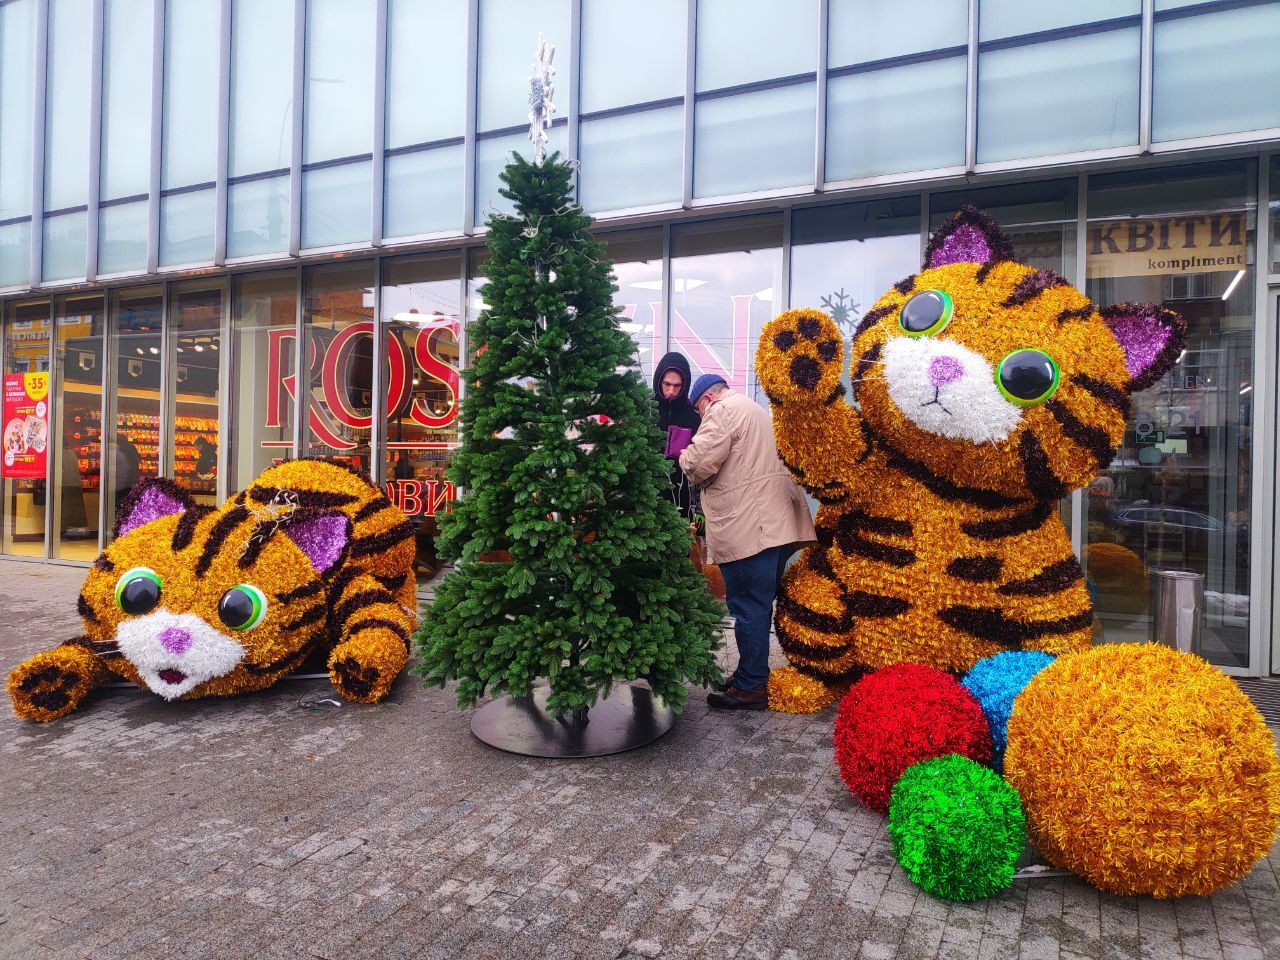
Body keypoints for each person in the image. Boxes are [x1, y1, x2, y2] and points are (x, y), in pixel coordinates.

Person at [679, 374, 816, 710]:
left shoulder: (722, 411)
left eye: (698, 410)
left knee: (748, 607)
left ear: (707, 399)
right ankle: (749, 674)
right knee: (758, 604)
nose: (700, 417)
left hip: (752, 527)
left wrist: (684, 454)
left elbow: (698, 464)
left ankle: (751, 688)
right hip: (776, 524)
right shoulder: (752, 409)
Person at [652, 352, 700, 521]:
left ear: (684, 385)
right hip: (647, 500)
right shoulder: (645, 412)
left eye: (677, 385)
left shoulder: (693, 417)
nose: (671, 391)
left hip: (681, 501)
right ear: (658, 381)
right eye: (667, 384)